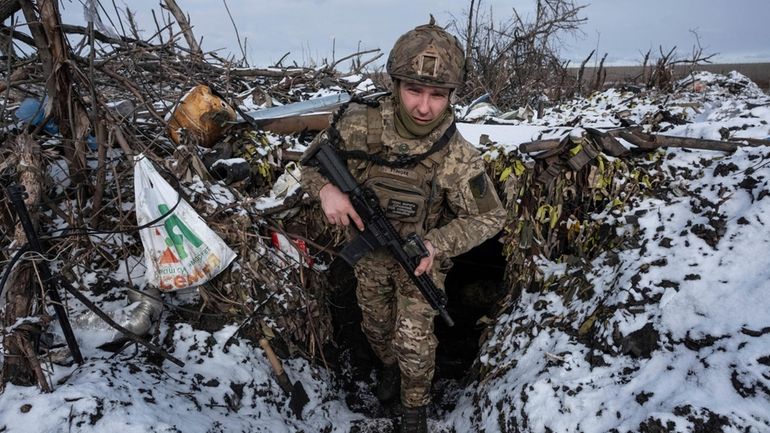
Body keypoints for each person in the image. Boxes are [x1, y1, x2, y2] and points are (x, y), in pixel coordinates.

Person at [301, 17, 506, 433]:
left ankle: (415, 410)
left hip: (420, 262)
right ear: (395, 85)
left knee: (415, 342)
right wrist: (326, 191)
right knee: (376, 328)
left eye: (437, 95)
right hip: (369, 257)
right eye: (414, 90)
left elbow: (490, 216)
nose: (424, 107)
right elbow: (311, 162)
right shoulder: (360, 123)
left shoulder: (457, 156)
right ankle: (387, 371)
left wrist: (436, 245)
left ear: (451, 96)